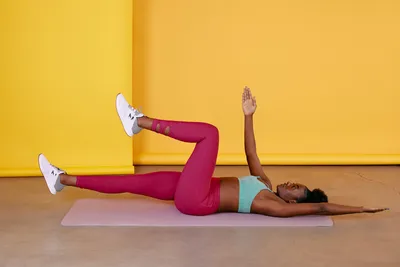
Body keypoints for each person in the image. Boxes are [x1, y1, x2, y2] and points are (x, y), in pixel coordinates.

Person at [38, 87, 388, 217]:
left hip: (197, 200)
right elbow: (251, 152)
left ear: (295, 201)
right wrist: (248, 116)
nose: (293, 184)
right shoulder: (263, 180)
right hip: (191, 192)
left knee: (209, 135)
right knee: (133, 182)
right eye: (296, 183)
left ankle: (139, 122)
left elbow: (323, 206)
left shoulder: (275, 206)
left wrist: (363, 208)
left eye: (297, 188)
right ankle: (63, 179)